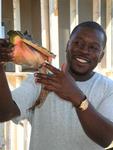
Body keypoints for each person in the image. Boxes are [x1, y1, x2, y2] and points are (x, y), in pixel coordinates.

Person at [0, 21, 113, 150]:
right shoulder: (42, 79)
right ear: (67, 45)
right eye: (78, 43)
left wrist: (76, 97)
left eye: (93, 47)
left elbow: (106, 139)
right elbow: (4, 113)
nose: (84, 51)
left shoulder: (108, 88)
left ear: (101, 56)